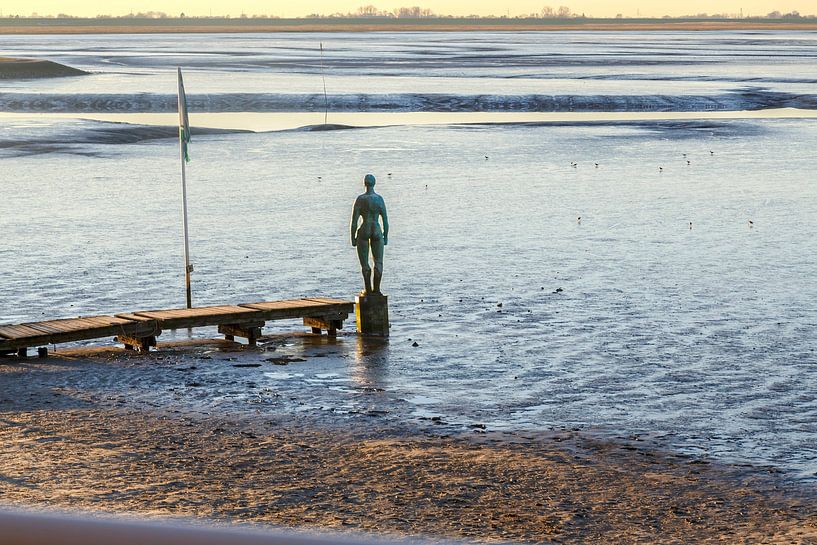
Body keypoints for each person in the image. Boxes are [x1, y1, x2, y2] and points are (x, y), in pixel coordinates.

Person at [350, 174, 389, 294]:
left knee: (365, 263)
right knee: (378, 262)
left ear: (364, 184)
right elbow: (386, 221)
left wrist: (353, 237)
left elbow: (354, 222)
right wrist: (386, 236)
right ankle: (377, 290)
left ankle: (368, 289)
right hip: (376, 229)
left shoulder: (360, 199)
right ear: (374, 183)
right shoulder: (379, 199)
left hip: (365, 229)